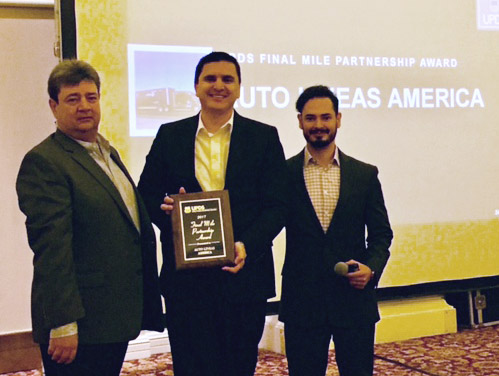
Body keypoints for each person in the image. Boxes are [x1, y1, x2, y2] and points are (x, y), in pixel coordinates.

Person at [138, 51, 288, 376]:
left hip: (243, 277)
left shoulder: (263, 137)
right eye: (210, 78)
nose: (218, 85)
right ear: (195, 86)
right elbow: (146, 194)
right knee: (191, 367)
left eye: (227, 79)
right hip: (186, 283)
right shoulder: (170, 135)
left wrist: (247, 245)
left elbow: (278, 205)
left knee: (238, 366)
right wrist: (166, 208)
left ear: (238, 88)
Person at [16, 60, 164, 376]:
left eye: (91, 97)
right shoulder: (45, 162)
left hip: (110, 318)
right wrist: (63, 322)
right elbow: (52, 250)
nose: (84, 106)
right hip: (78, 324)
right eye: (73, 99)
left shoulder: (106, 152)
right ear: (53, 107)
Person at [279, 85, 393, 376]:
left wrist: (371, 268)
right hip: (302, 301)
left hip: (353, 300)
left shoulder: (365, 174)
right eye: (311, 118)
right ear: (300, 121)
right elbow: (263, 221)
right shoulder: (282, 174)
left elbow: (381, 235)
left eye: (326, 117)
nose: (319, 125)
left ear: (338, 119)